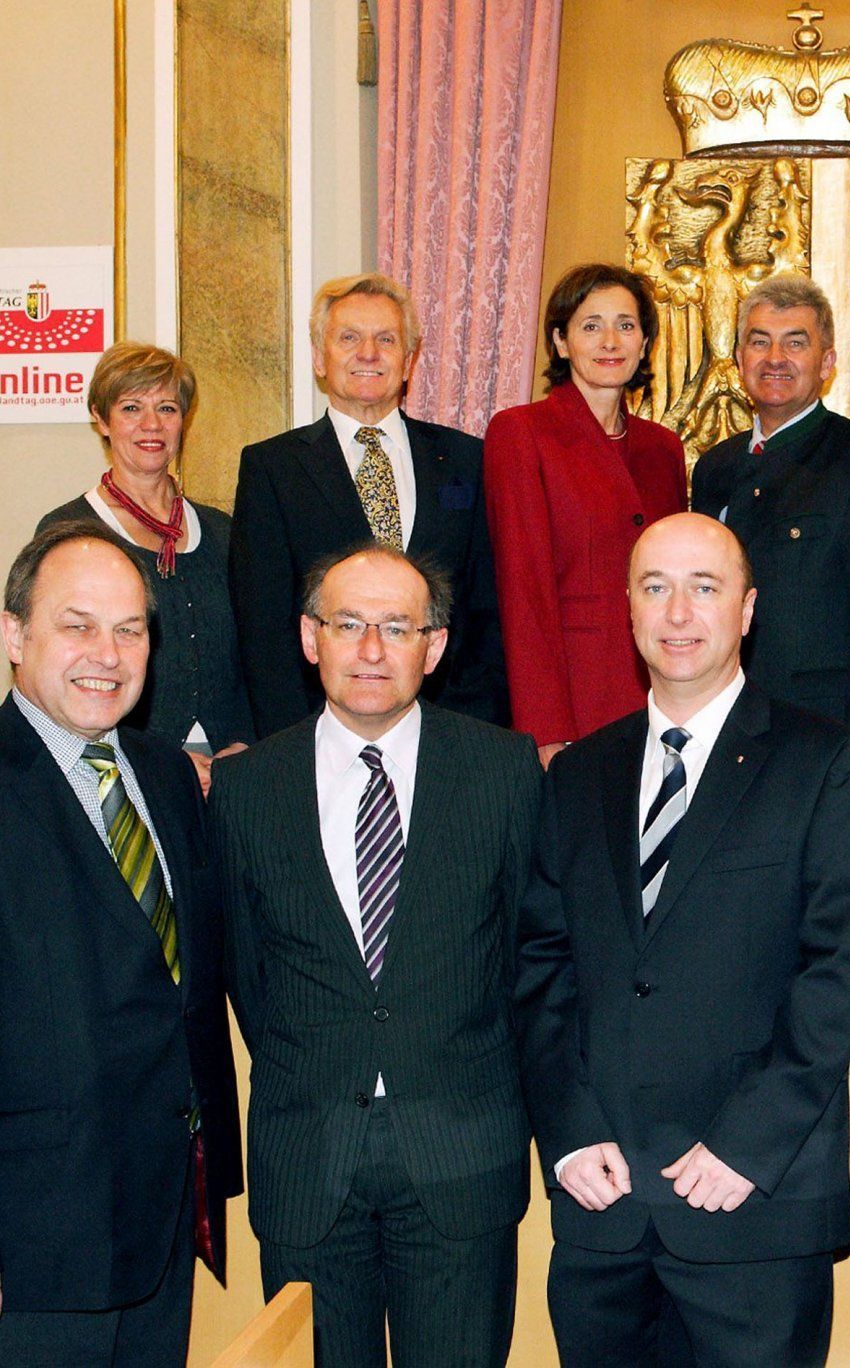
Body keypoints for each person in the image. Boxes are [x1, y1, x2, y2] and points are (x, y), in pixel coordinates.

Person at [515, 512, 850, 1367]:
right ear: (630, 611)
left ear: (748, 610)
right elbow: (540, 967)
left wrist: (745, 1147)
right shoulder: (579, 772)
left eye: (704, 588)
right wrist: (569, 1131)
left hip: (751, 1208)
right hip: (601, 1209)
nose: (678, 612)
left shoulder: (826, 760)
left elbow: (839, 973)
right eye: (656, 588)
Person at [211, 545, 541, 1366]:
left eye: (397, 627)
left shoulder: (504, 770)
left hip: (462, 1156)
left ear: (433, 647)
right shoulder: (247, 788)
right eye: (348, 623)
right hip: (308, 1159)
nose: (370, 649)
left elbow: (524, 958)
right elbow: (248, 975)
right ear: (308, 637)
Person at [0, 524, 241, 1365]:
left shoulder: (170, 776)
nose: (107, 654)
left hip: (166, 1223)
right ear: (13, 634)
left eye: (130, 629)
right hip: (34, 1251)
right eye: (77, 625)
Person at [229, 272, 506, 738]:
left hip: (449, 730)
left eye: (386, 339)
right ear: (320, 357)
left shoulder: (466, 459)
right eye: (349, 338)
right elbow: (264, 627)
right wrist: (292, 744)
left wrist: (473, 730)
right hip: (319, 730)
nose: (368, 354)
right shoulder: (272, 468)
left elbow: (484, 614)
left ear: (408, 361)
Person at [690, 271, 850, 773]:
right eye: (759, 342)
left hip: (825, 734)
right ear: (739, 359)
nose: (775, 359)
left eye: (796, 343)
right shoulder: (715, 468)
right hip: (724, 728)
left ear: (826, 362)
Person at [485, 263, 689, 763]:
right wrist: (546, 729)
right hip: (575, 699)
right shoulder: (521, 433)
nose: (610, 341)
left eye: (626, 325)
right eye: (590, 325)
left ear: (645, 343)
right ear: (560, 341)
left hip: (659, 693)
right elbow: (523, 591)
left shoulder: (662, 448)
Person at [40, 340, 254, 793]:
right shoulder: (69, 531)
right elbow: (59, 670)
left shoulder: (223, 531)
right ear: (101, 418)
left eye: (168, 408)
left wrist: (247, 751)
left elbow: (255, 657)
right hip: (123, 776)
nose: (151, 425)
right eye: (132, 407)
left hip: (234, 777)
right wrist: (161, 763)